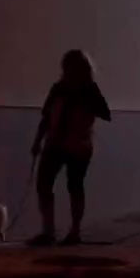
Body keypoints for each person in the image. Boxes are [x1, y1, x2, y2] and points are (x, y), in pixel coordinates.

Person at [29, 50, 111, 246]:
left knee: (74, 185)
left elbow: (106, 113)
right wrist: (37, 141)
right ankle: (48, 231)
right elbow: (46, 117)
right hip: (55, 142)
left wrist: (84, 107)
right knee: (44, 184)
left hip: (78, 145)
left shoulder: (90, 90)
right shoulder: (58, 89)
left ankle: (74, 232)